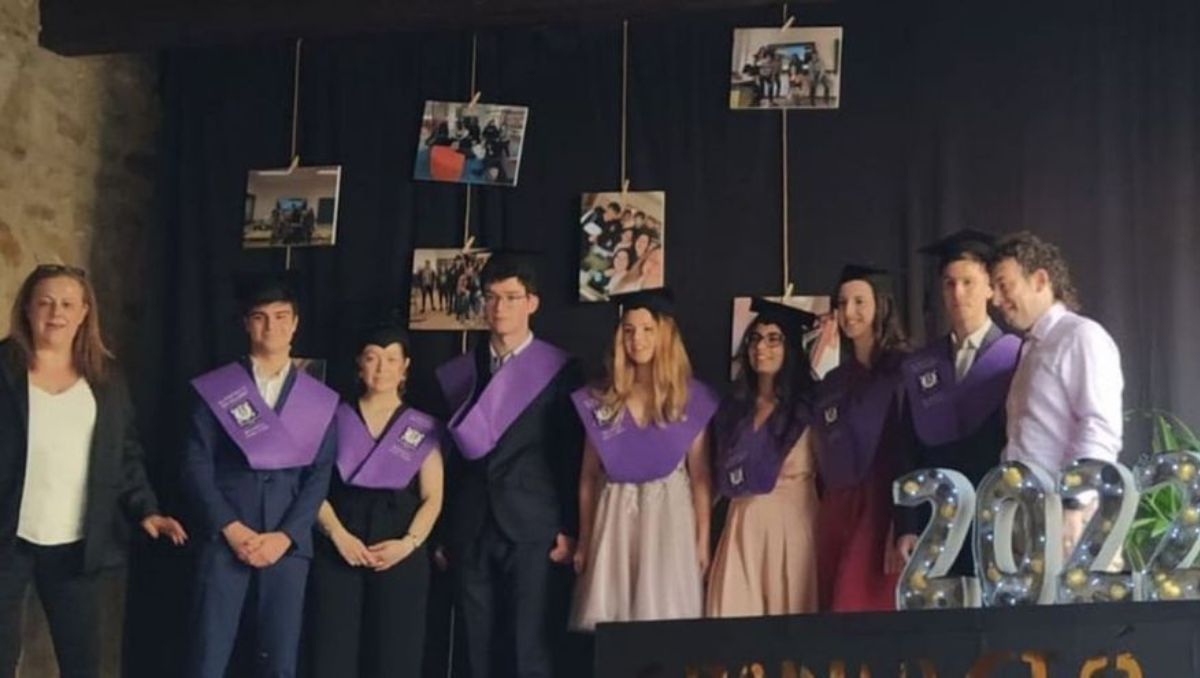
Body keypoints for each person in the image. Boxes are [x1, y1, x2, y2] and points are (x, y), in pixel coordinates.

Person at [0, 264, 187, 678]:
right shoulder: (3, 369)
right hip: (7, 540)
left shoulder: (105, 378)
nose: (56, 313)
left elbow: (124, 454)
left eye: (67, 303)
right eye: (45, 302)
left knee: (82, 662)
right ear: (27, 309)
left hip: (76, 544)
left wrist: (146, 510)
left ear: (85, 312)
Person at [181, 274, 338, 678]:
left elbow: (319, 477)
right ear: (246, 324)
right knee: (207, 657)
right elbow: (197, 464)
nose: (272, 327)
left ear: (296, 323)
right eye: (260, 317)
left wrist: (286, 536)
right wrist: (231, 528)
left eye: (282, 317)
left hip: (287, 545)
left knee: (279, 660)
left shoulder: (318, 398)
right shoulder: (219, 388)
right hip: (226, 538)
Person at [434, 253, 583, 678]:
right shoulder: (462, 371)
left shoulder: (560, 370)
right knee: (473, 648)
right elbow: (449, 457)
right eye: (492, 297)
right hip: (471, 524)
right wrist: (446, 531)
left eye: (512, 297)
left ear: (532, 303)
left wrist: (571, 528)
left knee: (527, 647)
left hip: (534, 526)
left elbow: (571, 455)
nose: (500, 308)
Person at [570, 289, 717, 630]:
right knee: (613, 621)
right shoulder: (604, 399)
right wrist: (586, 537)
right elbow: (589, 476)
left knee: (662, 618)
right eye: (629, 329)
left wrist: (702, 539)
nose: (637, 339)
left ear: (664, 334)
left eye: (647, 329)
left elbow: (700, 476)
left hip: (669, 517)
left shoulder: (689, 399)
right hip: (616, 514)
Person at [308, 324, 443, 677]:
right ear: (359, 364)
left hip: (399, 548)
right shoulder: (333, 419)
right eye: (373, 358)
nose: (382, 368)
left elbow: (433, 496)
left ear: (405, 367)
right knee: (331, 654)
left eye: (391, 359)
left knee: (396, 657)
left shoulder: (421, 427)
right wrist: (338, 535)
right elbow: (313, 488)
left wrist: (408, 544)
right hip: (338, 544)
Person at [894, 231, 1020, 575]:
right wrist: (907, 523)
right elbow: (908, 449)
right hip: (937, 517)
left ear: (991, 289)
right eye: (949, 284)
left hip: (997, 512)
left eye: (968, 282)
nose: (958, 293)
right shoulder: (922, 366)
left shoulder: (1017, 356)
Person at [990, 231, 1123, 551]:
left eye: (1004, 285)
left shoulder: (1081, 336)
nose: (995, 299)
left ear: (1039, 279)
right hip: (1029, 513)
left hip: (1069, 518)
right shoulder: (1031, 348)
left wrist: (1074, 507)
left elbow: (1100, 428)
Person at [707, 299, 820, 617]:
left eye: (774, 339)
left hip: (794, 523)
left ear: (791, 349)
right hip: (742, 523)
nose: (762, 347)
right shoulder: (733, 408)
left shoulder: (809, 406)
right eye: (756, 338)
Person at [813, 265, 908, 612]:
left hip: (883, 503)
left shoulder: (905, 370)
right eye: (841, 303)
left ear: (880, 305)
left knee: (865, 599)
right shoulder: (833, 382)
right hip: (839, 503)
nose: (848, 312)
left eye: (859, 301)